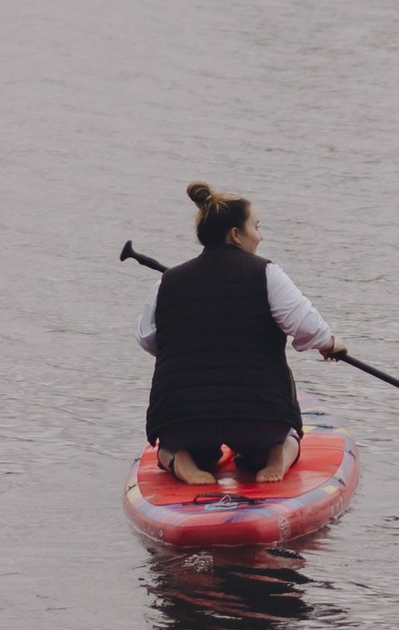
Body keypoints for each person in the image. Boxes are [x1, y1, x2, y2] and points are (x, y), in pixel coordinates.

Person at [138, 179, 348, 487]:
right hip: (259, 420)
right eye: (256, 227)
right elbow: (307, 328)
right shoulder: (267, 274)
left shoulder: (166, 282)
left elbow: (148, 339)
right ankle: (277, 453)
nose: (260, 236)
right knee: (289, 436)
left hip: (185, 422)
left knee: (169, 446)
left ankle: (180, 459)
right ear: (236, 234)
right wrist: (330, 343)